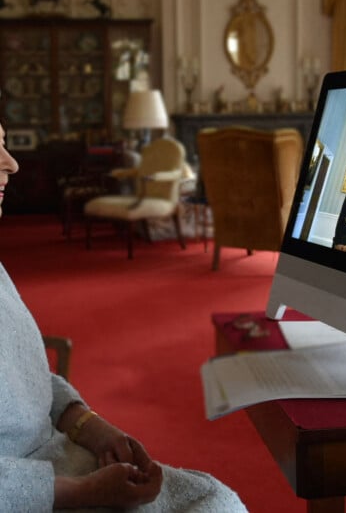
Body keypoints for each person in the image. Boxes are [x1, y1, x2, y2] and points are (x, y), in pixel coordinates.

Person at [0, 124, 247, 511]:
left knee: (213, 498)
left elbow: (20, 378)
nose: (12, 164)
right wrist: (80, 493)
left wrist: (89, 425)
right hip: (28, 489)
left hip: (55, 458)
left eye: (4, 145)